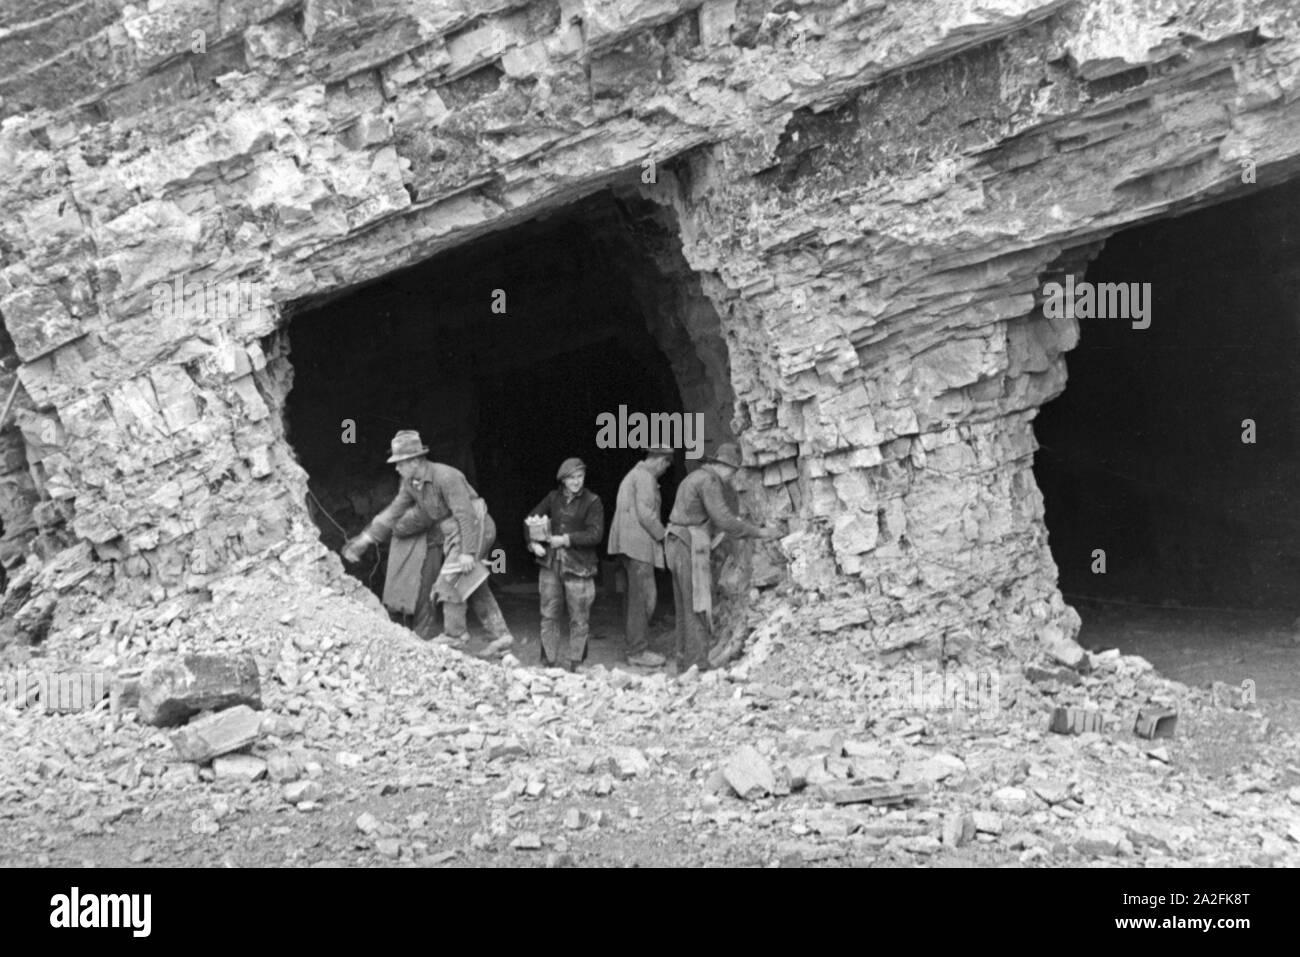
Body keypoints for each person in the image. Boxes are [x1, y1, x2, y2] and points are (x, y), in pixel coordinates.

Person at [342, 430, 514, 656]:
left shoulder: (446, 477)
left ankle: (455, 636)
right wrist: (366, 539)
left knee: (450, 579)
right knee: (471, 583)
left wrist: (467, 553)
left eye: (400, 463)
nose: (396, 468)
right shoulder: (410, 483)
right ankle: (501, 637)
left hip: (475, 525)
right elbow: (394, 512)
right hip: (454, 532)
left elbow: (464, 514)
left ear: (415, 460)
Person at [665, 442, 782, 673]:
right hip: (688, 545)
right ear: (724, 466)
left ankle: (683, 662)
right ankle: (698, 664)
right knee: (697, 605)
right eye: (733, 471)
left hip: (675, 542)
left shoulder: (695, 477)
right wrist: (759, 532)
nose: (732, 478)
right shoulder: (709, 481)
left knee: (684, 605)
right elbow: (725, 520)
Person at [525, 458, 604, 672]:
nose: (577, 482)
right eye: (571, 478)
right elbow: (531, 519)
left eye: (580, 477)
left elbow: (595, 534)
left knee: (579, 616)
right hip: (551, 564)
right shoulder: (553, 498)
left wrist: (566, 539)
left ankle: (577, 662)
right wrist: (533, 543)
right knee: (549, 613)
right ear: (563, 480)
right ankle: (547, 661)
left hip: (579, 565)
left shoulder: (592, 501)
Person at [608, 448, 674, 667]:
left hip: (628, 545)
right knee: (644, 598)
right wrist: (664, 536)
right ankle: (638, 651)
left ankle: (634, 646)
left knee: (634, 598)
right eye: (666, 465)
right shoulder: (645, 477)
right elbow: (646, 513)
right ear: (660, 461)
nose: (665, 471)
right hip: (638, 545)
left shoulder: (634, 474)